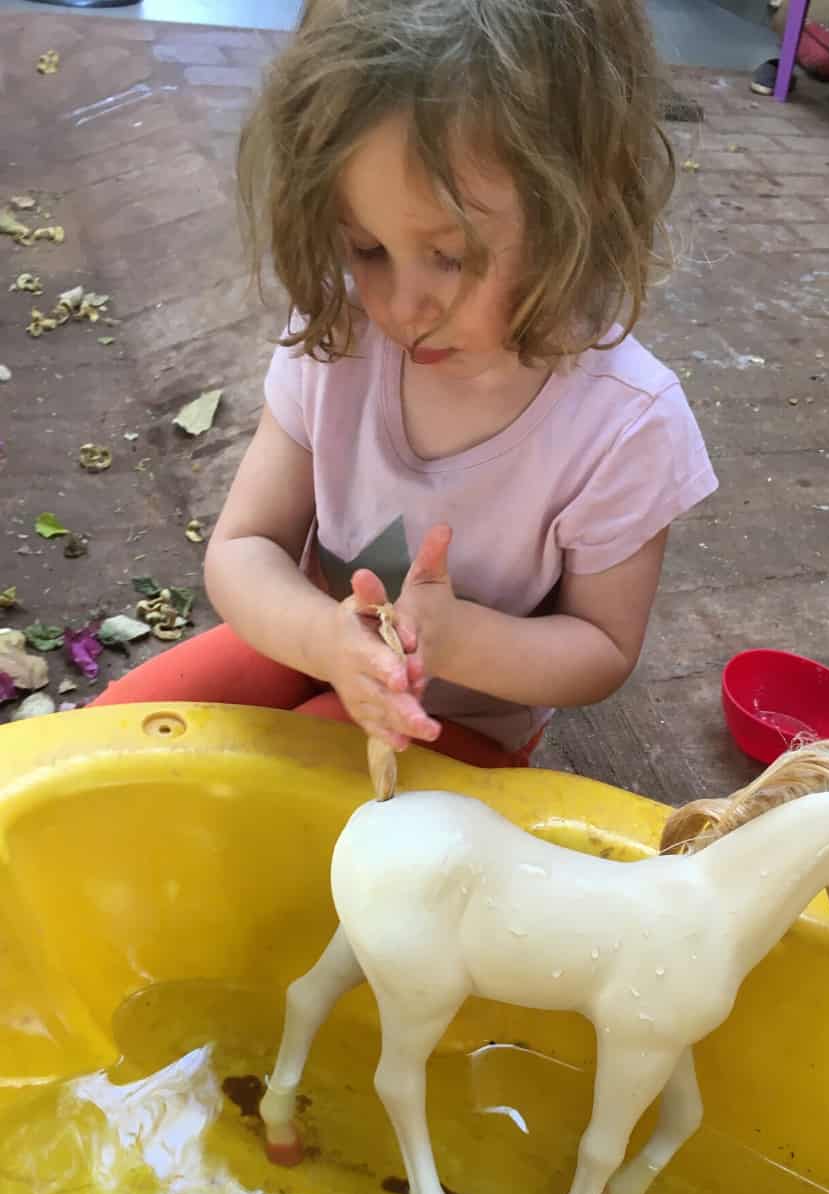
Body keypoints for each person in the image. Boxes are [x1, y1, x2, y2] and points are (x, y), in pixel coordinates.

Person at [92, 0, 718, 770]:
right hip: (314, 634)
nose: (400, 307)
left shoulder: (626, 424)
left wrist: (453, 639)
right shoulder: (343, 338)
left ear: (580, 210)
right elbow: (245, 546)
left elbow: (603, 648)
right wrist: (323, 635)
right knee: (103, 741)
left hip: (463, 712)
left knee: (283, 808)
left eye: (449, 257)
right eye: (367, 247)